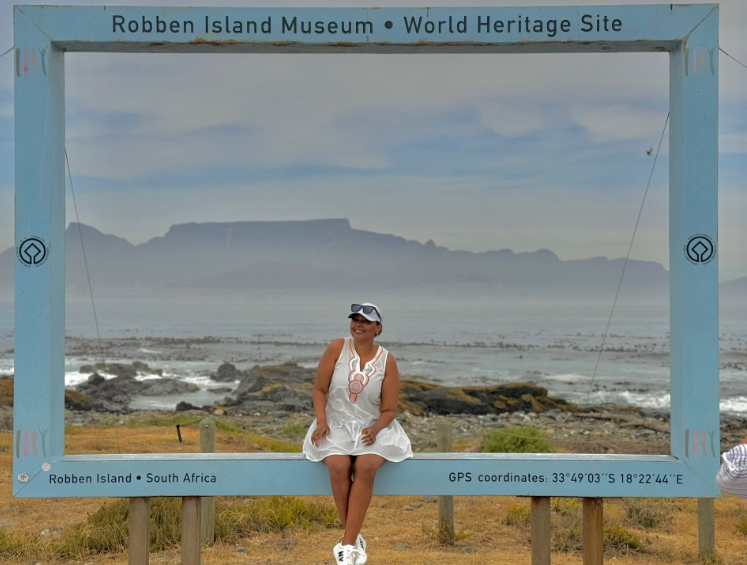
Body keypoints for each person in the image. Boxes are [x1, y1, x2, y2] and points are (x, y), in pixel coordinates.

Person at [302, 303, 413, 565]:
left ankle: (347, 545)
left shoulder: (388, 361)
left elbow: (389, 409)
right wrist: (321, 421)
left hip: (373, 427)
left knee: (365, 465)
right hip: (335, 424)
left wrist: (375, 429)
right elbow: (319, 390)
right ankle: (352, 538)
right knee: (339, 466)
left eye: (366, 320)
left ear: (378, 328)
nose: (358, 323)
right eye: (355, 319)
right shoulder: (337, 348)